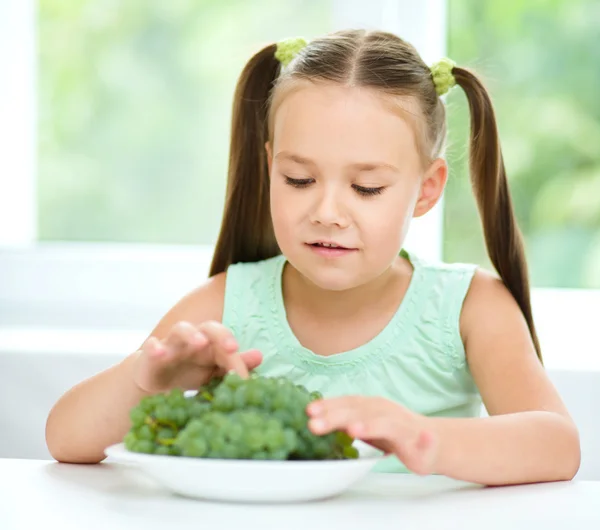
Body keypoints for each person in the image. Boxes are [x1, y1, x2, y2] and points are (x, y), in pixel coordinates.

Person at [45, 29, 580, 485]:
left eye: (366, 188)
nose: (327, 212)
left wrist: (424, 438)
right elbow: (65, 439)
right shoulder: (228, 303)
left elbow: (559, 445)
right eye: (299, 180)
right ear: (270, 166)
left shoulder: (468, 307)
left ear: (426, 189)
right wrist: (146, 382)